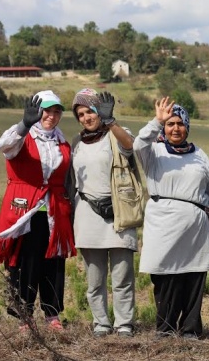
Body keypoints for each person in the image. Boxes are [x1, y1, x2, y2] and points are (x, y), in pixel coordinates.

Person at [134, 97, 209, 339]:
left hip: (194, 225)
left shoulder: (200, 155)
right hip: (162, 222)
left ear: (187, 127)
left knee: (193, 276)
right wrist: (156, 121)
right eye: (170, 124)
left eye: (180, 124)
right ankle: (165, 328)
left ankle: (190, 329)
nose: (175, 128)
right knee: (164, 277)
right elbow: (137, 144)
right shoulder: (153, 152)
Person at [0, 90, 76, 331]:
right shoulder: (22, 137)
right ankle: (24, 315)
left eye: (56, 111)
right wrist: (24, 124)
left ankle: (52, 314)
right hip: (25, 209)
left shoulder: (62, 143)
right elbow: (3, 146)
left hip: (54, 211)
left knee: (53, 263)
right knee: (25, 262)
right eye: (46, 110)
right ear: (37, 112)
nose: (51, 115)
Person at [69, 88, 137, 338]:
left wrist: (111, 122)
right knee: (94, 279)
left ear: (101, 111)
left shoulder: (117, 134)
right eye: (81, 114)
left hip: (118, 211)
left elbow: (130, 147)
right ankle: (101, 322)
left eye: (91, 111)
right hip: (87, 213)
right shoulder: (77, 142)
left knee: (122, 276)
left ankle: (124, 323)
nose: (87, 117)